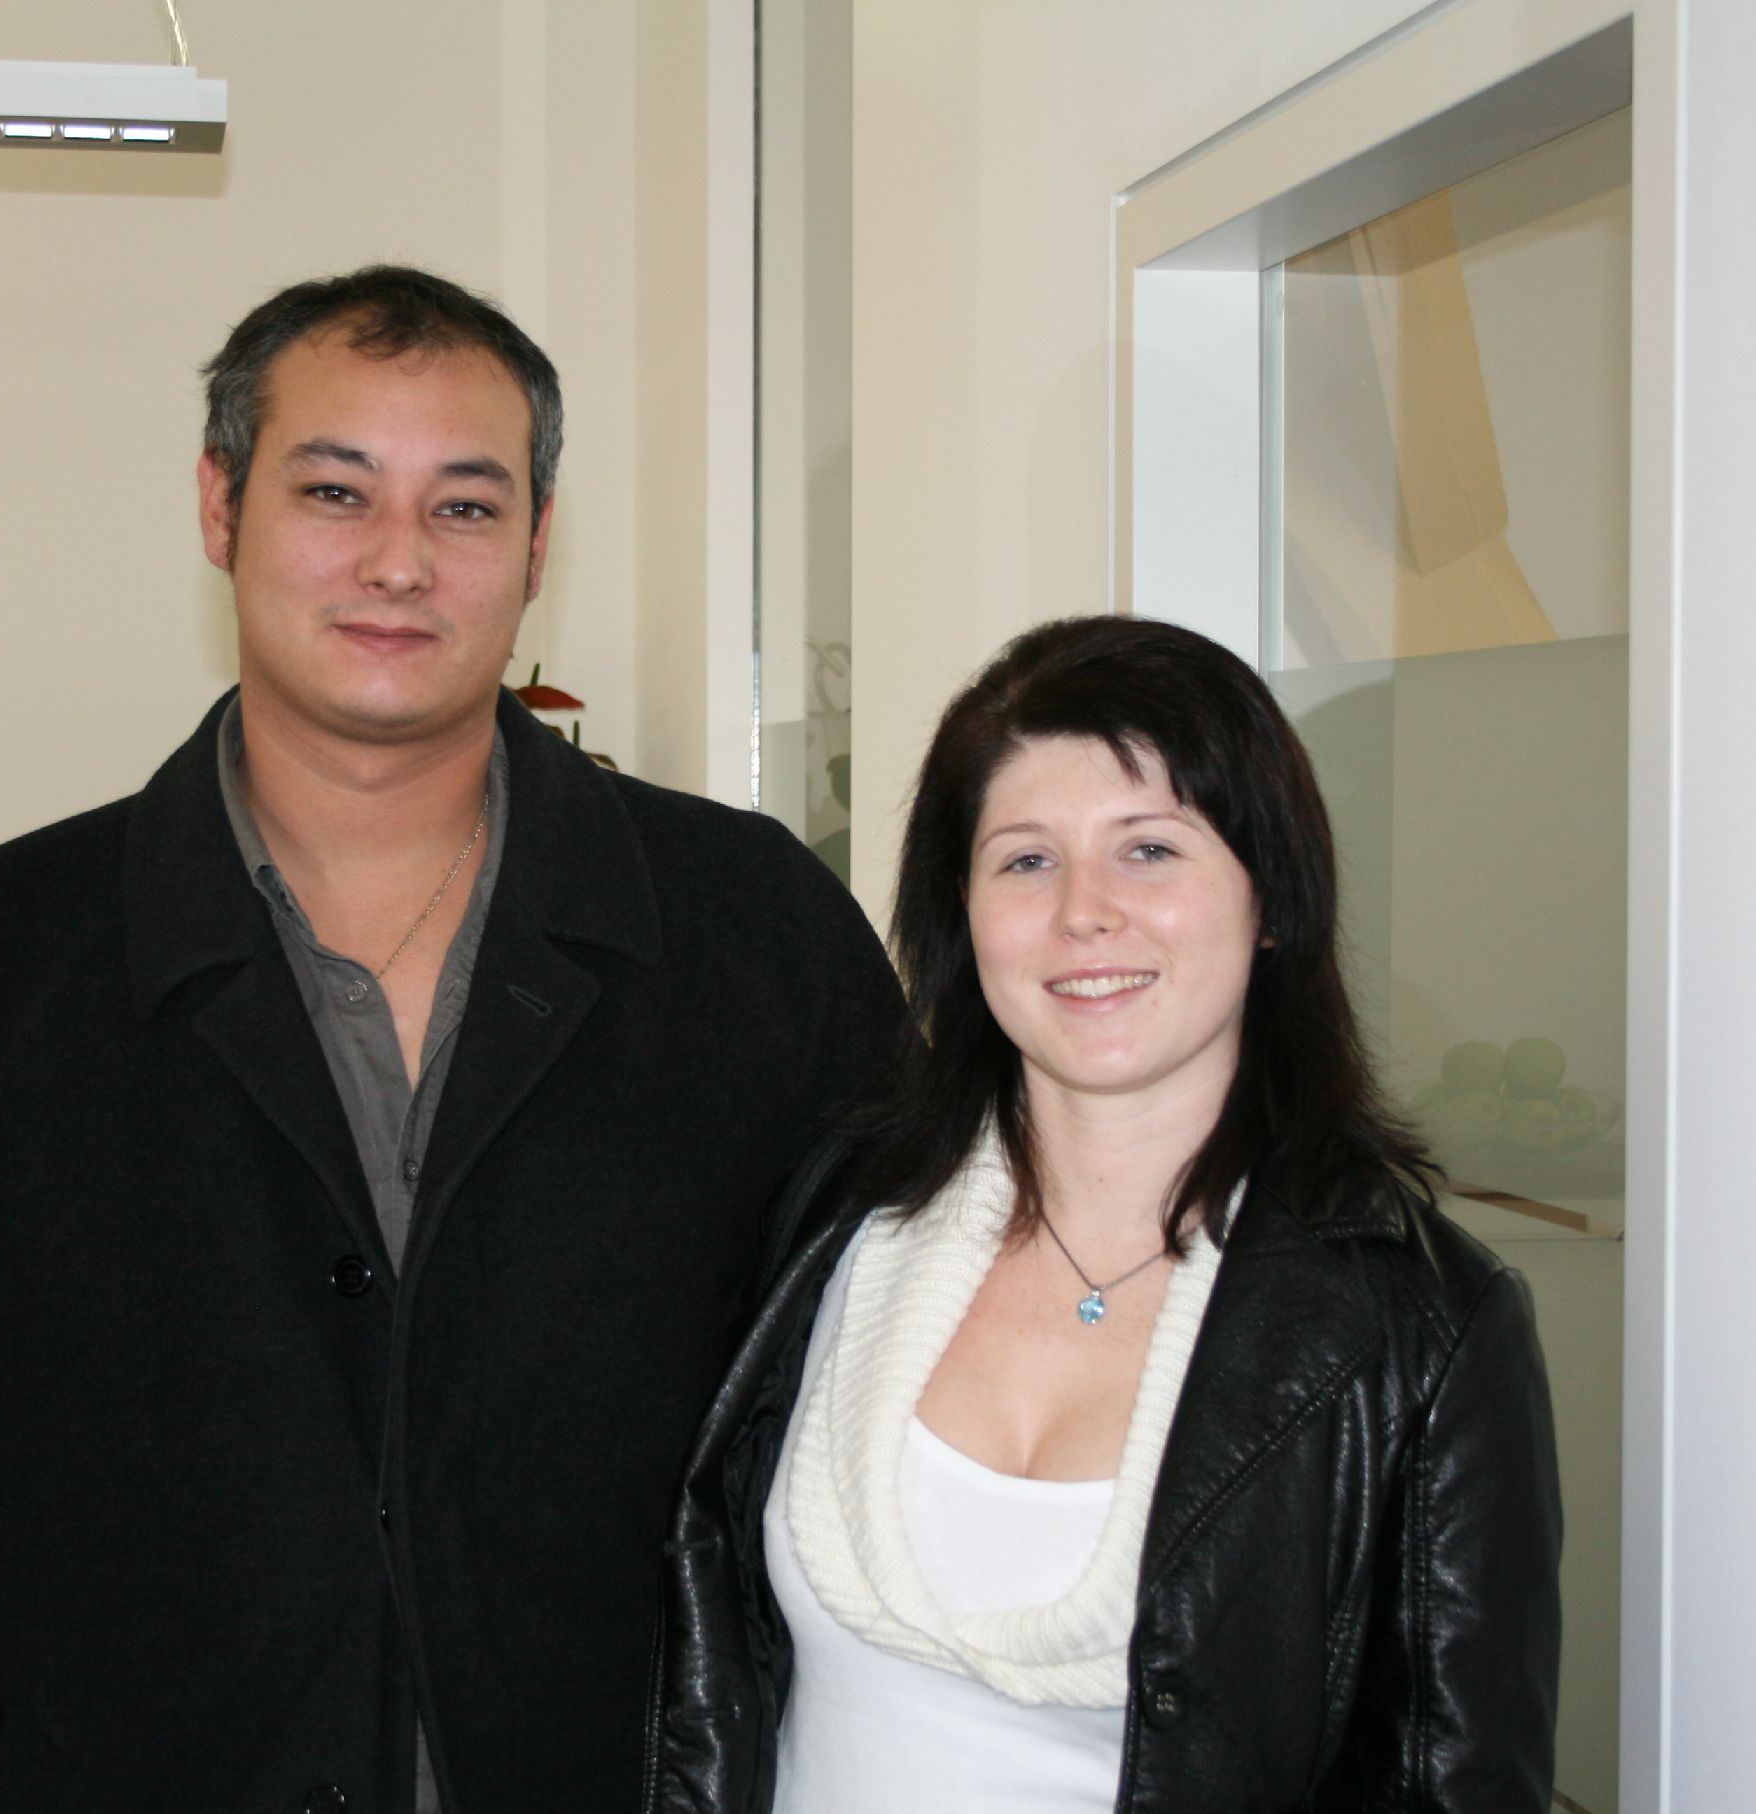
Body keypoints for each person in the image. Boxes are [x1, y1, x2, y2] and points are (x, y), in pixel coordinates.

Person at [0, 266, 903, 1813]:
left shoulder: (757, 938)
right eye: (335, 491)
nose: (398, 560)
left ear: (537, 544)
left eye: (464, 506)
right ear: (220, 505)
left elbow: (881, 1436)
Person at [649, 616, 1562, 1810]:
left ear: (1270, 896)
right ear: (960, 911)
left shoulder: (1422, 1329)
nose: (1084, 910)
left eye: (1149, 849)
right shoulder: (836, 1218)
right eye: (1026, 859)